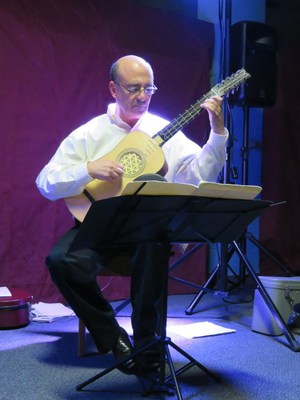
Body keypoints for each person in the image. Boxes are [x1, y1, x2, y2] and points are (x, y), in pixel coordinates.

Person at [36, 55, 228, 374]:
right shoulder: (89, 134)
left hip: (145, 230)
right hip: (96, 224)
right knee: (60, 261)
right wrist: (87, 169)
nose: (143, 96)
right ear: (114, 89)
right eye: (134, 88)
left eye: (149, 88)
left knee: (152, 245)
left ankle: (147, 344)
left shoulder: (164, 129)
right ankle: (114, 340)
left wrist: (217, 132)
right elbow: (45, 181)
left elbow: (199, 176)